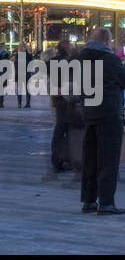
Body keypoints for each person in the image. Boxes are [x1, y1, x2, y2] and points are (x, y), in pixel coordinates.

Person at [78, 28, 125, 215]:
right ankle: (106, 202)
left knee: (90, 158)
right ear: (107, 41)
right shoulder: (109, 59)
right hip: (109, 114)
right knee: (108, 159)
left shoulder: (82, 58)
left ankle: (88, 200)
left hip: (90, 113)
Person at [48, 39, 74, 172]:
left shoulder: (53, 61)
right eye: (70, 44)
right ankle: (63, 158)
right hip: (67, 99)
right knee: (65, 129)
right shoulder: (68, 61)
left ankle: (58, 157)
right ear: (65, 46)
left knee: (60, 128)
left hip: (58, 99)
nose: (72, 46)